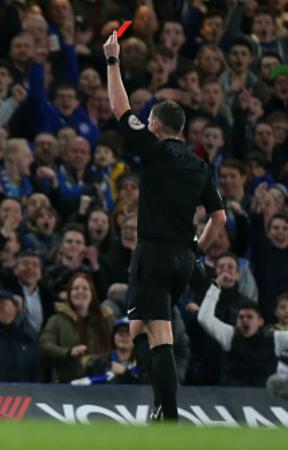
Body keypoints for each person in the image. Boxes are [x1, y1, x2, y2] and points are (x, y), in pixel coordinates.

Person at [104, 31, 227, 421]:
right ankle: (161, 405)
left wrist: (112, 60)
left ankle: (168, 416)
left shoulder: (154, 150)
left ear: (155, 125)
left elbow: (120, 106)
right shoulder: (199, 165)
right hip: (181, 259)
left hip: (154, 253)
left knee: (159, 336)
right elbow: (220, 217)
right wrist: (197, 250)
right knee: (138, 328)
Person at [198, 284, 288, 387]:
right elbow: (204, 319)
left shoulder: (276, 338)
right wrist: (215, 286)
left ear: (260, 321)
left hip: (266, 398)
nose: (245, 319)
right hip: (231, 397)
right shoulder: (229, 335)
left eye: (249, 317)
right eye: (241, 317)